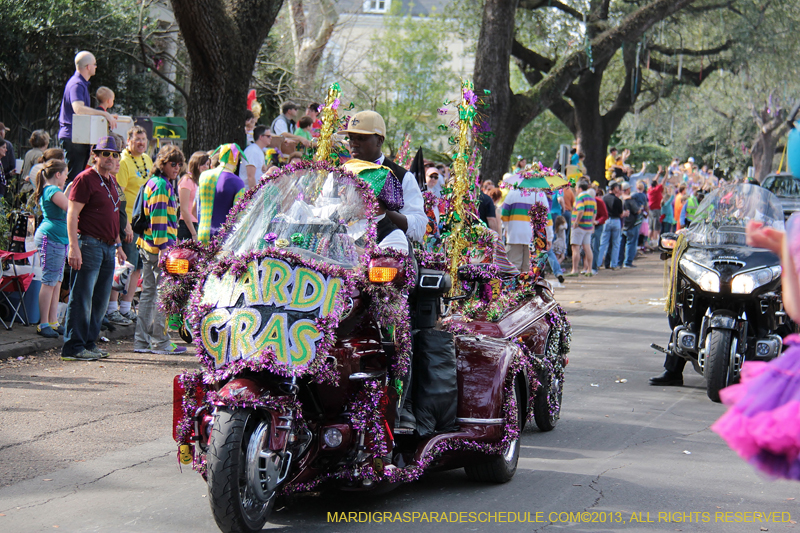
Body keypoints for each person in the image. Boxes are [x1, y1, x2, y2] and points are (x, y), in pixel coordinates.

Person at [62, 136, 126, 361]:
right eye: (105, 153)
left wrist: (118, 244)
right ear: (95, 155)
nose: (110, 158)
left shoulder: (112, 181)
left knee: (100, 299)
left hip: (108, 246)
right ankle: (73, 347)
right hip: (88, 243)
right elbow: (72, 214)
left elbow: (114, 214)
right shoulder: (85, 178)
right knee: (82, 296)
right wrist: (73, 247)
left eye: (115, 154)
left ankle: (89, 343)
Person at [338, 110, 427, 243]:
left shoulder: (402, 177)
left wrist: (379, 209)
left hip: (385, 249)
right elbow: (322, 208)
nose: (354, 144)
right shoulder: (338, 174)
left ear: (380, 140)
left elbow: (419, 227)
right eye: (351, 138)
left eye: (361, 138)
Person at [134, 145, 187, 355]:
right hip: (159, 249)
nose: (177, 167)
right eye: (173, 163)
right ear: (162, 163)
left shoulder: (157, 182)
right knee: (163, 294)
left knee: (148, 294)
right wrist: (164, 248)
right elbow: (158, 218)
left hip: (150, 246)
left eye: (179, 164)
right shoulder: (162, 185)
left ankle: (142, 341)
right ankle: (160, 342)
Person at [58, 51, 118, 183]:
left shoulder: (80, 84)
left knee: (78, 178)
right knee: (74, 179)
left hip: (78, 137)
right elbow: (78, 109)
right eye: (95, 64)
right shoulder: (76, 84)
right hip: (73, 137)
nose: (96, 67)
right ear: (88, 67)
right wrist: (104, 114)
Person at [112, 126, 152, 322]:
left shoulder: (147, 159)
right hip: (128, 221)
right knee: (123, 265)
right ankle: (112, 307)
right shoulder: (124, 162)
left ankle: (126, 308)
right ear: (129, 141)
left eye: (143, 139)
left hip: (143, 223)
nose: (141, 143)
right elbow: (118, 195)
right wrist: (125, 224)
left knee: (137, 266)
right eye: (137, 139)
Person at [32, 160, 69, 338]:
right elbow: (69, 207)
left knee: (56, 281)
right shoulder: (53, 190)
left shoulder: (52, 190)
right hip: (52, 238)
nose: (67, 177)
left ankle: (53, 321)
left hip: (58, 238)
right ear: (58, 174)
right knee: (49, 282)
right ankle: (44, 323)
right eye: (66, 173)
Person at [197, 144, 247, 243]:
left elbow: (198, 206)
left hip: (203, 233)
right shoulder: (238, 182)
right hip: (224, 237)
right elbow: (240, 214)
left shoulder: (204, 176)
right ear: (236, 159)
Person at [565, 180, 596, 276]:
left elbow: (580, 210)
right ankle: (589, 269)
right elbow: (594, 213)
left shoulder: (579, 198)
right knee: (587, 247)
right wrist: (592, 223)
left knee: (575, 247)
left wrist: (576, 222)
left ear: (580, 188)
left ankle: (575, 269)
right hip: (588, 226)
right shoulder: (592, 199)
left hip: (579, 226)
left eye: (576, 188)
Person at [178, 151, 210, 241]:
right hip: (186, 226)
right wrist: (194, 233)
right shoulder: (187, 180)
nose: (206, 167)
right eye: (203, 164)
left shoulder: (199, 182)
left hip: (196, 224)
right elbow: (184, 210)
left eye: (207, 164)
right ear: (195, 164)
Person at [598, 182, 625, 270]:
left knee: (603, 243)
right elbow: (621, 214)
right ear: (614, 188)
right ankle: (614, 264)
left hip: (606, 220)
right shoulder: (617, 200)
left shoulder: (604, 198)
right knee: (616, 243)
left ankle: (598, 263)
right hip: (616, 220)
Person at [621, 182, 641, 268]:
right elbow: (637, 210)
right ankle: (628, 262)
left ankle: (618, 262)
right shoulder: (630, 200)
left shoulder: (620, 199)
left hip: (622, 224)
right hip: (631, 224)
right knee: (631, 243)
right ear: (628, 189)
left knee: (621, 244)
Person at [591, 183, 608, 275]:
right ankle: (586, 266)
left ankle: (594, 267)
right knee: (586, 247)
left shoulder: (599, 202)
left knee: (595, 246)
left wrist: (597, 221)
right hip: (587, 225)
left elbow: (605, 215)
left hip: (597, 226)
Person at [647, 166, 666, 244]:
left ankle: (648, 241)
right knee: (656, 226)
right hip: (656, 210)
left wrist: (659, 172)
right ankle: (654, 241)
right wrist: (666, 173)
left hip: (651, 210)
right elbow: (663, 182)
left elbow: (654, 181)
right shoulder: (656, 190)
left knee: (651, 227)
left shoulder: (650, 189)